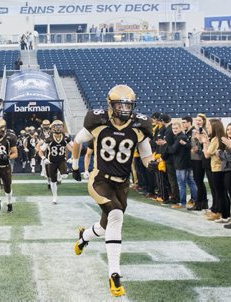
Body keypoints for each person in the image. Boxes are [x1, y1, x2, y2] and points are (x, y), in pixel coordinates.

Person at [70, 85, 156, 297]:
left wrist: (151, 164)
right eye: (120, 104)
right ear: (110, 104)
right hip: (100, 180)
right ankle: (114, 274)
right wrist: (74, 165)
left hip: (122, 183)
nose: (124, 108)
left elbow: (146, 155)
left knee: (105, 224)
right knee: (116, 215)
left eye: (128, 104)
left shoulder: (139, 126)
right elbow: (77, 141)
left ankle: (84, 237)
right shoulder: (97, 121)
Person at [201, 119, 229, 223]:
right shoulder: (218, 138)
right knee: (222, 192)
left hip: (217, 168)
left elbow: (206, 154)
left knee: (220, 193)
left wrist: (204, 142)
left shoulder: (216, 139)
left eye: (209, 125)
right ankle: (224, 214)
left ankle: (222, 214)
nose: (207, 127)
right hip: (219, 168)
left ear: (215, 127)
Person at [37, 120, 72, 204]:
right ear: (52, 128)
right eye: (56, 126)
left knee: (64, 176)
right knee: (53, 181)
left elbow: (73, 147)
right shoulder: (49, 138)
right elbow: (41, 150)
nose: (58, 128)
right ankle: (55, 197)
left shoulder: (65, 137)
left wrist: (74, 157)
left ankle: (65, 173)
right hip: (51, 162)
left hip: (61, 161)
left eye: (60, 126)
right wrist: (43, 158)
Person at [167, 122, 197, 209]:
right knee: (190, 182)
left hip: (181, 164)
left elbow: (172, 150)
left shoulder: (180, 137)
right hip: (184, 163)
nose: (174, 130)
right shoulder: (180, 137)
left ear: (180, 128)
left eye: (176, 128)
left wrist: (166, 145)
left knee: (182, 184)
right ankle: (195, 200)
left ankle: (182, 202)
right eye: (173, 128)